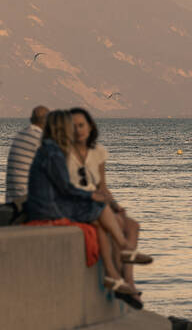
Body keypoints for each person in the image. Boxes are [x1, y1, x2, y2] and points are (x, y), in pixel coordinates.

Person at [23, 110, 152, 300]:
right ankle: (123, 255)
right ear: (63, 127)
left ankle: (116, 276)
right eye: (71, 126)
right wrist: (92, 196)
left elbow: (98, 186)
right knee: (99, 211)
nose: (74, 130)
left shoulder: (52, 149)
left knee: (114, 219)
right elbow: (66, 188)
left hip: (53, 204)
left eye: (80, 125)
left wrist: (107, 200)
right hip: (50, 209)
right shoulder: (56, 152)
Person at [67, 107, 145, 307]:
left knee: (133, 225)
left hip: (99, 202)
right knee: (117, 225)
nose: (78, 130)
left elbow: (103, 186)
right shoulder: (65, 153)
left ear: (90, 126)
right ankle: (123, 285)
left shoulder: (98, 152)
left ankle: (128, 281)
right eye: (74, 126)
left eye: (82, 125)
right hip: (79, 203)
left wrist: (115, 205)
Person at [6, 105, 49, 206]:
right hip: (26, 199)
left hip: (12, 198)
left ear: (31, 119)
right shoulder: (39, 138)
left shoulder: (21, 134)